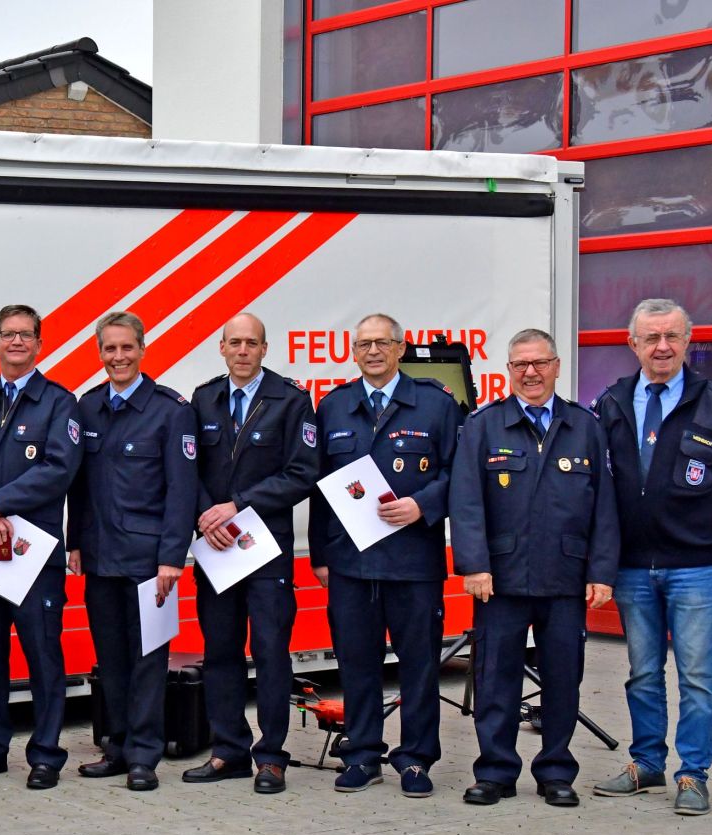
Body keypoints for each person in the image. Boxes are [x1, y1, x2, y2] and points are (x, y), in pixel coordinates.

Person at [592, 299, 712, 816]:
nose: (661, 347)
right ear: (633, 344)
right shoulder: (611, 403)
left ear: (688, 341)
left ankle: (692, 774)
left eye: (671, 336)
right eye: (650, 337)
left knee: (697, 677)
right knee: (643, 673)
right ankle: (647, 764)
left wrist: (711, 537)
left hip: (695, 568)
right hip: (632, 568)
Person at [451, 329, 618, 808]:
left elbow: (605, 506)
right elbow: (466, 501)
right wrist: (474, 564)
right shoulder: (484, 425)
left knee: (563, 679)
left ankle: (556, 772)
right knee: (495, 679)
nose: (530, 373)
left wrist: (601, 572)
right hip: (500, 579)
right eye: (520, 364)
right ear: (509, 370)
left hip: (566, 577)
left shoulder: (584, 426)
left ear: (557, 367)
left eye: (540, 363)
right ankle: (495, 771)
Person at [308, 313, 463, 797]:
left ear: (401, 349)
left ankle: (415, 760)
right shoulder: (334, 406)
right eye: (364, 344)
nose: (373, 351)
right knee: (356, 664)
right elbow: (320, 487)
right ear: (353, 352)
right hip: (351, 563)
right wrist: (320, 555)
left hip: (413, 561)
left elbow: (458, 473)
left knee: (419, 666)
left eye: (382, 343)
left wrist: (423, 505)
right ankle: (361, 755)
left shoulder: (436, 404)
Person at [0, 304, 84, 789]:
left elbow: (58, 469)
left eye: (26, 335)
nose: (17, 342)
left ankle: (46, 754)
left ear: (40, 345)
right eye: (8, 334)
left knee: (42, 655)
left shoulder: (59, 403)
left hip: (33, 554)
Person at [65, 311, 197, 791]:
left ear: (142, 349)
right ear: (99, 353)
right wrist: (75, 541)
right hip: (100, 556)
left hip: (149, 561)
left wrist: (172, 557)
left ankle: (144, 755)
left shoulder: (171, 410)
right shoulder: (88, 407)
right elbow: (78, 485)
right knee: (112, 658)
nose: (118, 357)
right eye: (109, 349)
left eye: (126, 347)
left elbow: (182, 491)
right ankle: (117, 747)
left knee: (148, 661)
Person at [187, 312, 318, 794]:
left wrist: (237, 506)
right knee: (220, 651)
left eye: (252, 343)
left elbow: (302, 473)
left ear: (265, 349)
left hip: (266, 552)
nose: (243, 351)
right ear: (221, 348)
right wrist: (207, 517)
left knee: (270, 653)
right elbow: (188, 470)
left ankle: (271, 758)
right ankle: (229, 751)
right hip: (217, 548)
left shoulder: (291, 400)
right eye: (234, 343)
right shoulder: (203, 399)